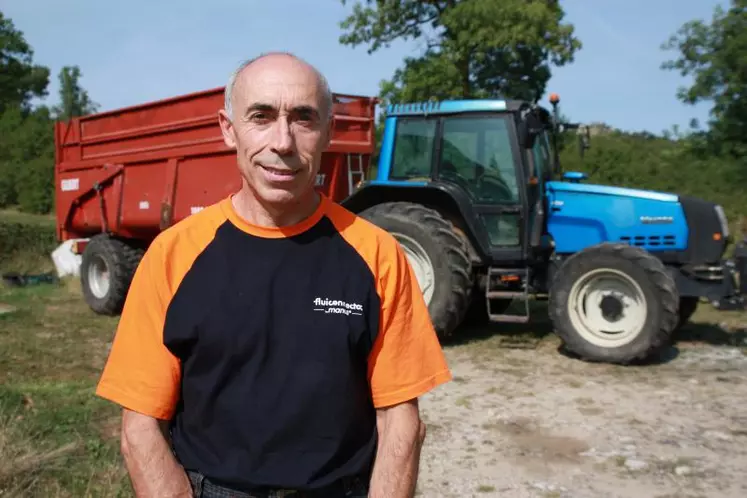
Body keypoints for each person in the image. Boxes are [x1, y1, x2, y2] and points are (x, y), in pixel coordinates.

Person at [95, 51, 452, 498]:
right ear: (229, 129)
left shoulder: (377, 254)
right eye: (261, 117)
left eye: (303, 118)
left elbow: (400, 420)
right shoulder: (173, 255)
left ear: (328, 131)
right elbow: (140, 427)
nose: (282, 141)